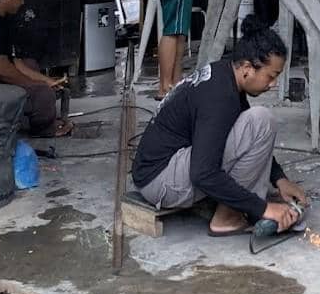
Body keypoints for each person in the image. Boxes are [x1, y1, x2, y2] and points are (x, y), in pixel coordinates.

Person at [132, 16, 308, 236]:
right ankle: (227, 218)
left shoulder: (224, 75)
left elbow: (245, 136)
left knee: (255, 124)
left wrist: (280, 179)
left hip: (159, 171)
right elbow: (202, 173)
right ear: (247, 68)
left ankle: (237, 205)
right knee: (261, 120)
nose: (273, 85)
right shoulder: (220, 97)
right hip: (160, 182)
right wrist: (263, 208)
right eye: (271, 76)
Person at [0, 0, 73, 137]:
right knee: (44, 95)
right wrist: (37, 85)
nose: (23, 2)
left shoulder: (1, 19)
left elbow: (15, 62)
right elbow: (1, 69)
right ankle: (45, 129)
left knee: (31, 65)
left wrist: (47, 80)